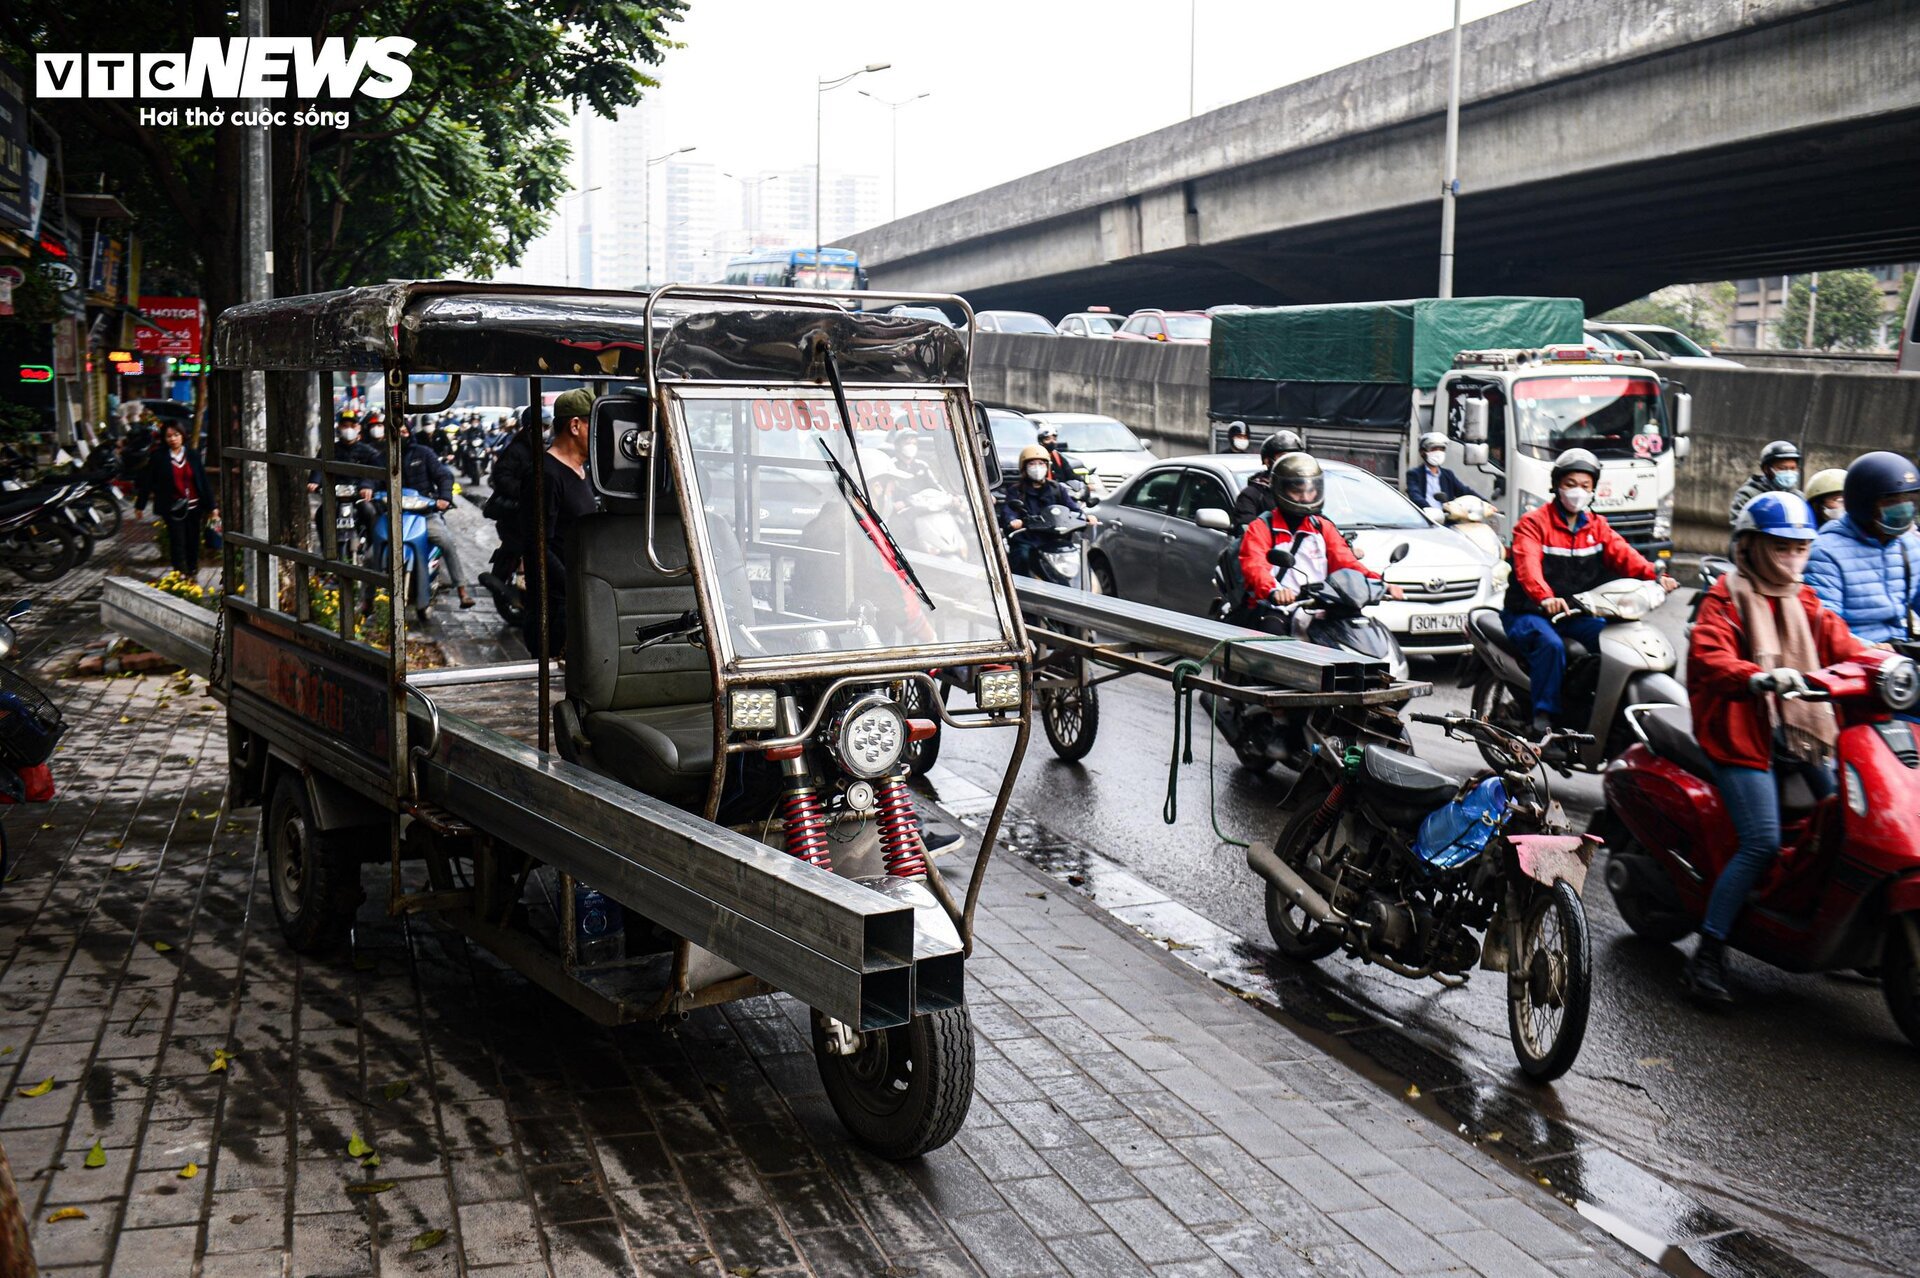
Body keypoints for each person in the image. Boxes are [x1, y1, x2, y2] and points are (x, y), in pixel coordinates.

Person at [1681, 491, 1863, 1005]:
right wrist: (1758, 677)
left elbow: (1842, 642)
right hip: (1742, 735)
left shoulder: (1803, 599)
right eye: (1781, 547)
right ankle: (1708, 955)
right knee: (1761, 843)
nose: (1792, 557)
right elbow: (1710, 657)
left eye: (1801, 547)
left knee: (1847, 816)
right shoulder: (1726, 596)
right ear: (1752, 546)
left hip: (1800, 736)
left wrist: (1884, 660)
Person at [1502, 447, 1678, 736]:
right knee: (1551, 646)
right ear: (1557, 485)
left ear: (1594, 489)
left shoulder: (1596, 526)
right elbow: (1527, 565)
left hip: (1575, 611)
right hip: (1529, 611)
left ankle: (1592, 707)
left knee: (1617, 643)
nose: (1577, 492)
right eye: (1571, 484)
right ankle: (1544, 716)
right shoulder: (1533, 524)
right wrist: (1545, 597)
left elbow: (1624, 555)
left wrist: (1657, 575)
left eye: (1585, 486)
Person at [1238, 452, 1404, 612]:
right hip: (1278, 608)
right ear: (1281, 490)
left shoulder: (1322, 527)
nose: (1305, 497)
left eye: (1310, 491)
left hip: (1320, 606)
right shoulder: (1261, 528)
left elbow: (1346, 562)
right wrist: (1274, 591)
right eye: (1297, 491)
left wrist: (1380, 585)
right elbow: (1255, 566)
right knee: (1273, 630)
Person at [1803, 451, 1920, 647]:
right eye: (1891, 501)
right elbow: (1825, 627)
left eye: (1909, 500)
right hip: (1854, 657)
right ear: (1862, 503)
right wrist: (1871, 649)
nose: (1903, 508)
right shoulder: (1825, 552)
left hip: (1901, 649)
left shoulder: (1908, 544)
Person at [520, 388, 600, 657]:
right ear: (575, 426)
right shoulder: (546, 474)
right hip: (556, 612)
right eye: (595, 426)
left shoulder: (583, 471)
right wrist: (572, 585)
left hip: (580, 600)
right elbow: (536, 545)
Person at [369, 417, 476, 613]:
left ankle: (461, 589)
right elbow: (369, 479)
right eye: (395, 432)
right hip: (392, 515)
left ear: (409, 432)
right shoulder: (381, 458)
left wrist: (444, 497)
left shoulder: (424, 453)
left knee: (446, 541)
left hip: (425, 514)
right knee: (370, 554)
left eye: (403, 431)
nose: (400, 436)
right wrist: (366, 489)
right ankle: (366, 601)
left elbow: (444, 475)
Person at [479, 405, 544, 620]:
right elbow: (501, 476)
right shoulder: (516, 449)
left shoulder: (540, 447)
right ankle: (522, 583)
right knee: (531, 544)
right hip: (514, 515)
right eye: (541, 427)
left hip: (530, 510)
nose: (545, 431)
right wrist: (526, 490)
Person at [135, 423, 217, 578]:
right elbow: (148, 481)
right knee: (177, 540)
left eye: (176, 435)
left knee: (193, 540)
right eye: (169, 436)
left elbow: (203, 481)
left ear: (183, 436)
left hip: (194, 506)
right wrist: (140, 505)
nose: (173, 439)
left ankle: (192, 570)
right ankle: (180, 573)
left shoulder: (192, 455)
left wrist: (213, 506)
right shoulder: (159, 457)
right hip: (172, 508)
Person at [999, 444, 1093, 576]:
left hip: (1054, 538)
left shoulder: (1057, 488)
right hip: (1028, 539)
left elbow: (1072, 507)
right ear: (1024, 467)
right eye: (1032, 464)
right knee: (1021, 556)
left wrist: (1085, 517)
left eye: (1041, 464)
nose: (1037, 467)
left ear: (1047, 466)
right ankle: (1020, 591)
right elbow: (1009, 510)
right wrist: (1013, 520)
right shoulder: (1016, 491)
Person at [1231, 428, 1305, 531]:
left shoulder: (1306, 491)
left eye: (1293, 457)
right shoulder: (1251, 495)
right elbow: (1247, 532)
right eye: (1283, 457)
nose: (1290, 463)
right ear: (1267, 461)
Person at [1728, 440, 1801, 526]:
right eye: (1782, 468)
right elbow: (1738, 525)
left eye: (1793, 468)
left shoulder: (1798, 497)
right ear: (1766, 469)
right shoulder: (1748, 495)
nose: (1789, 473)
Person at [1404, 431, 1481, 511]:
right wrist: (1429, 509)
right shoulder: (1414, 474)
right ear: (1422, 452)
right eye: (1434, 449)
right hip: (1426, 517)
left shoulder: (1448, 474)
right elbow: (1415, 495)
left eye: (1441, 449)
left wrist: (1484, 503)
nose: (1438, 452)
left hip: (1446, 519)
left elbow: (1464, 491)